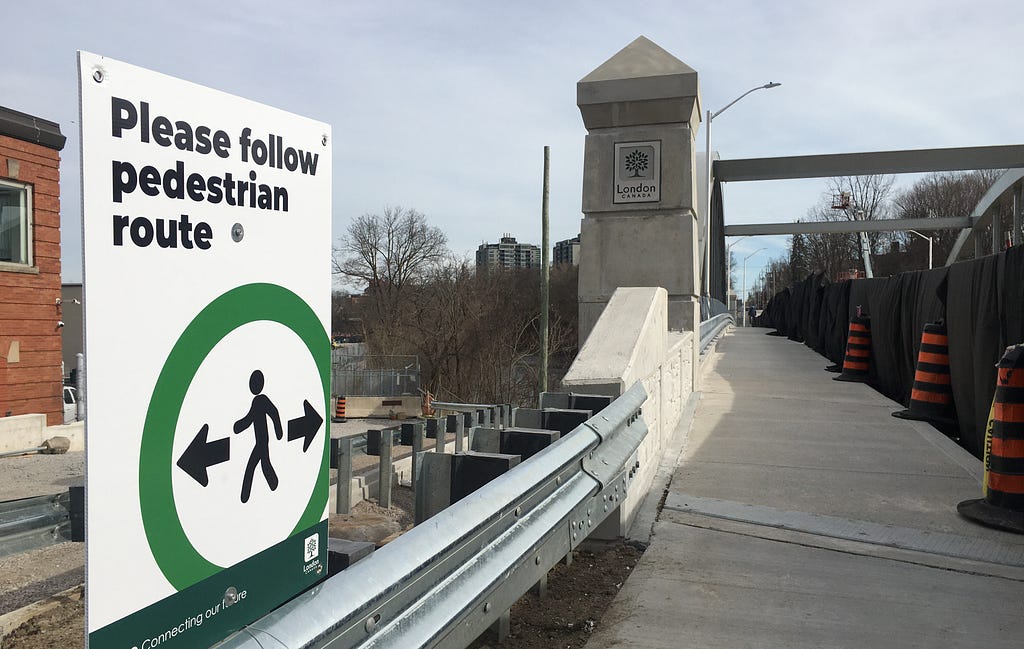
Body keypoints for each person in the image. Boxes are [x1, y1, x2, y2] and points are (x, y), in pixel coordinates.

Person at [233, 369, 283, 503]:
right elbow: (250, 419)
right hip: (261, 441)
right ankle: (273, 483)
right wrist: (238, 426)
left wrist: (279, 432)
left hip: (262, 441)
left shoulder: (261, 400)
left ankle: (246, 495)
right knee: (264, 463)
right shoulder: (257, 401)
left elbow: (274, 413)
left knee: (253, 466)